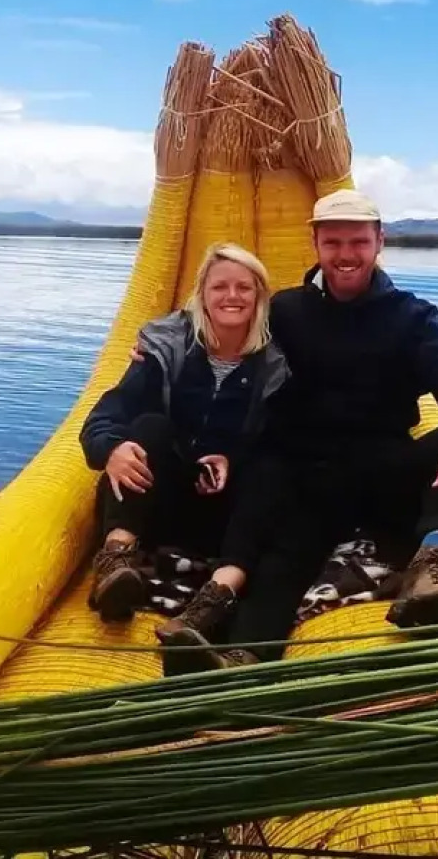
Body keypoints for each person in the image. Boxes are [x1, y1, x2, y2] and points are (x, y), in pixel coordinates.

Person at [151, 188, 438, 672]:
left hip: (380, 465)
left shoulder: (411, 317)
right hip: (305, 468)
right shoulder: (287, 311)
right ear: (315, 244)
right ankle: (242, 654)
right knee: (288, 550)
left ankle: (433, 567)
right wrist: (155, 354)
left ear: (380, 242)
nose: (346, 255)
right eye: (333, 242)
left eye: (358, 242)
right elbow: (219, 332)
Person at [78, 242, 287, 647]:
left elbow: (276, 438)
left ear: (259, 296)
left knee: (273, 468)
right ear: (202, 295)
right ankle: (116, 560)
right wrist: (112, 450)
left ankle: (218, 595)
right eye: (220, 287)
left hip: (222, 515)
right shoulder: (165, 346)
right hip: (160, 500)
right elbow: (103, 418)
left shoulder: (275, 364)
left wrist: (232, 460)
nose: (231, 297)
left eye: (244, 288)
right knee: (150, 426)